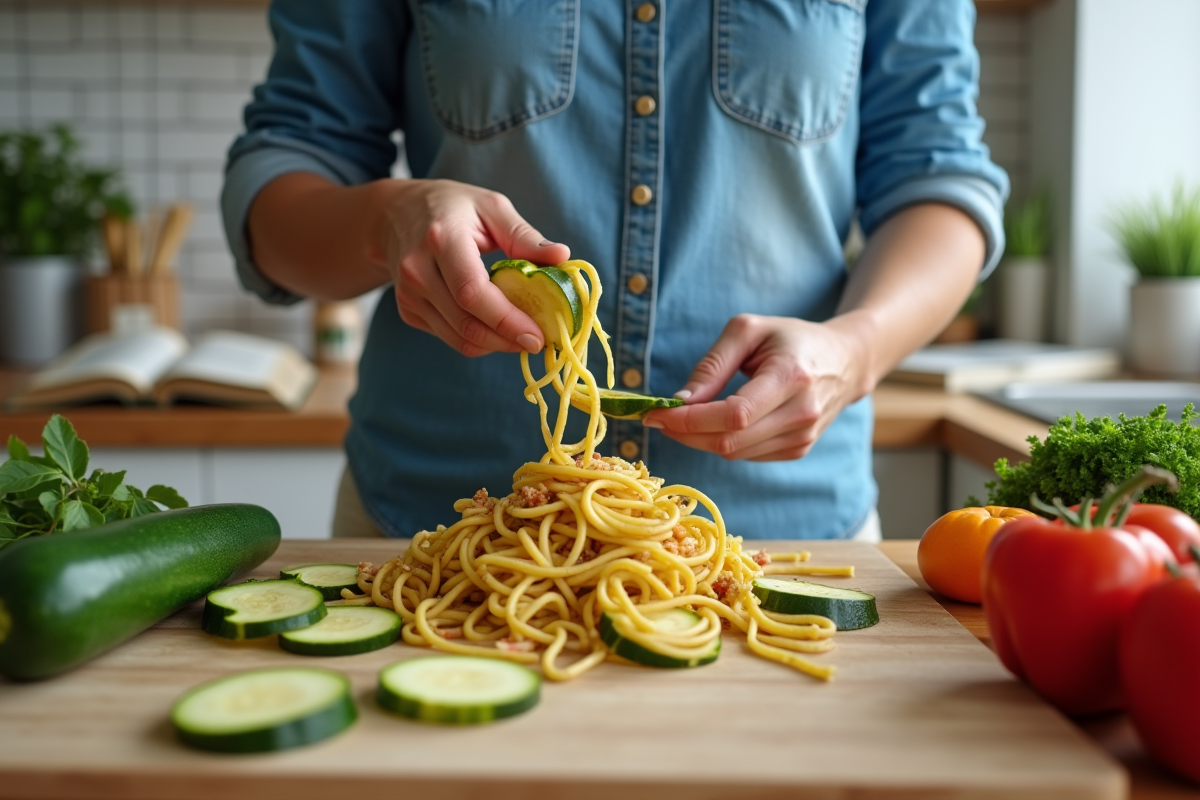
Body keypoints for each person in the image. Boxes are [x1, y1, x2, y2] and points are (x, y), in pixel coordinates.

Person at [221, 0, 1007, 542]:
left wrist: (857, 348)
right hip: (436, 527)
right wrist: (388, 217)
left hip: (782, 533)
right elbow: (284, 179)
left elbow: (938, 181)